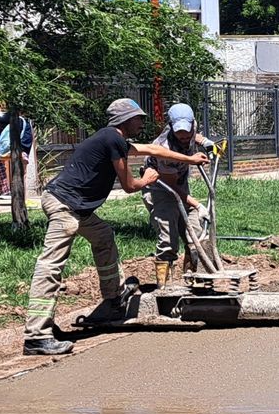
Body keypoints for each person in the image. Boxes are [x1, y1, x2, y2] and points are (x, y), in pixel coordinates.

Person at [23, 99, 208, 357]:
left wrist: (189, 158)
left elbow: (153, 151)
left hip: (80, 209)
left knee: (104, 237)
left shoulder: (114, 139)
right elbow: (130, 185)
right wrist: (147, 179)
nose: (142, 123)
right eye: (138, 118)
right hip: (65, 206)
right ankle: (36, 335)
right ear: (126, 120)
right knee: (51, 266)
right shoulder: (113, 139)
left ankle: (114, 299)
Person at [141, 102, 218, 288]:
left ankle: (190, 282)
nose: (183, 136)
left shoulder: (191, 128)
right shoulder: (163, 149)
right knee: (168, 240)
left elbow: (193, 136)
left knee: (196, 237)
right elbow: (172, 188)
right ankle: (163, 289)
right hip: (160, 189)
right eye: (178, 132)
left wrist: (204, 142)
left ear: (192, 123)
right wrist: (198, 205)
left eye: (187, 131)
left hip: (180, 185)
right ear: (171, 127)